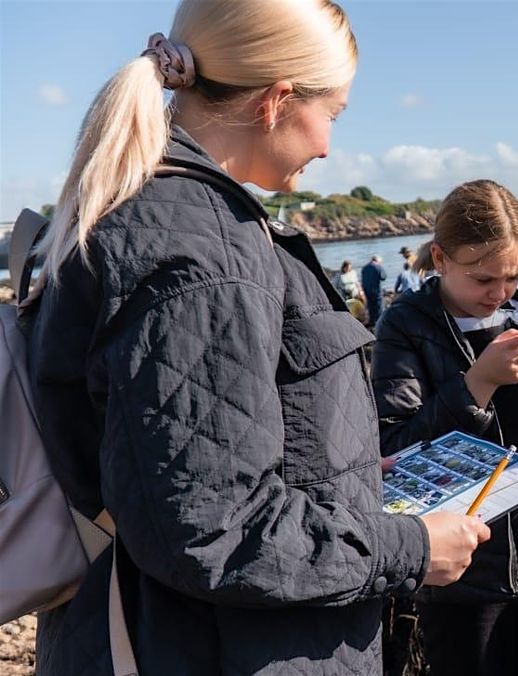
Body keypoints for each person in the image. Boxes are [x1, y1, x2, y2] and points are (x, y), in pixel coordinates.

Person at [26, 2, 489, 673]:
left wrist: (347, 467)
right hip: (219, 648)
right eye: (333, 113)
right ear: (275, 101)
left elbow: (180, 455)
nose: (329, 145)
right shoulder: (204, 251)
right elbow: (213, 526)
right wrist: (410, 549)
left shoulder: (149, 211)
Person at [371, 179, 518, 676]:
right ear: (440, 259)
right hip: (468, 567)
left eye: (511, 276)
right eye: (483, 279)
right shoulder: (405, 327)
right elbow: (393, 451)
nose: (499, 293)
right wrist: (477, 382)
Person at [362, 253, 388, 327]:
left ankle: (372, 322)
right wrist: (381, 267)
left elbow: (363, 280)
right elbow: (383, 277)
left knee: (371, 307)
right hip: (376, 291)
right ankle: (381, 323)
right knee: (379, 307)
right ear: (377, 261)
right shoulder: (378, 267)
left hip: (367, 290)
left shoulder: (364, 267)